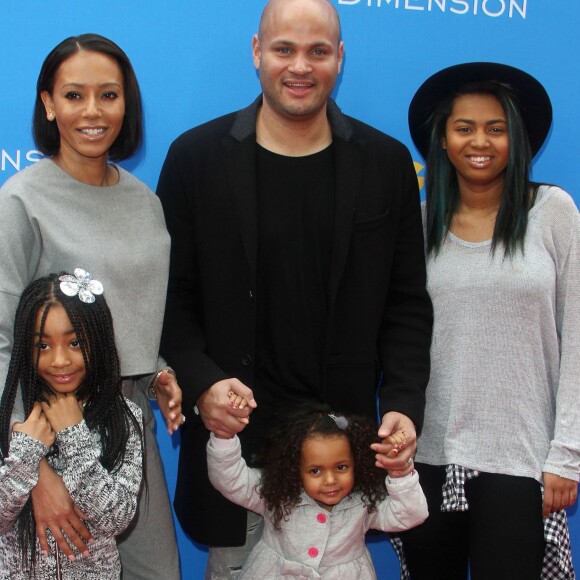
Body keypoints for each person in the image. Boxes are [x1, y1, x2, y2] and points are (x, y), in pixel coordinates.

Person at [157, 0, 432, 576]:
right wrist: (204, 384)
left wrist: (404, 404)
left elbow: (406, 305)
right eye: (284, 49)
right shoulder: (195, 158)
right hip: (239, 450)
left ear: (340, 59)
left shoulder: (385, 164)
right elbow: (172, 299)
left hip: (340, 462)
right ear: (257, 52)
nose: (300, 66)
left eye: (318, 51)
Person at [0, 34, 181, 579]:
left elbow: (126, 316)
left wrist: (157, 372)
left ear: (127, 105)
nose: (93, 112)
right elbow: (3, 341)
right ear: (48, 104)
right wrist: (33, 473)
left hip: (128, 429)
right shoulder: (21, 201)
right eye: (74, 96)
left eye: (109, 95)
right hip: (46, 429)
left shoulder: (144, 201)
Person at [397, 62, 580, 579]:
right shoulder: (417, 222)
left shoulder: (553, 212)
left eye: (496, 128)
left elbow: (579, 337)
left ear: (516, 138)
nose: (481, 141)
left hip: (520, 459)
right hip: (425, 455)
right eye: (464, 127)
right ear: (442, 139)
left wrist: (567, 454)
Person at [0, 270, 143, 578]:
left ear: (98, 340)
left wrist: (73, 434)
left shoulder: (123, 418)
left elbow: (115, 518)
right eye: (43, 346)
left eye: (75, 342)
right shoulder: (13, 421)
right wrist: (26, 455)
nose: (60, 360)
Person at [207, 403, 428, 579]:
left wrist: (400, 473)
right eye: (315, 471)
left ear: (356, 463)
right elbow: (230, 479)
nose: (330, 480)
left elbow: (411, 514)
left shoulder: (363, 503)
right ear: (296, 468)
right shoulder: (278, 495)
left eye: (341, 467)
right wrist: (224, 438)